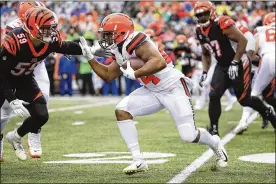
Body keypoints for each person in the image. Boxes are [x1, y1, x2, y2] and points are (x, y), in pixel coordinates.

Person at [79, 13, 228, 175]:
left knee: (188, 135)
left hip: (172, 88)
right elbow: (108, 75)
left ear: (121, 33)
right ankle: (138, 160)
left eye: (108, 34)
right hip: (152, 90)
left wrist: (135, 74)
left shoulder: (137, 40)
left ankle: (214, 142)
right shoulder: (118, 47)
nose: (105, 38)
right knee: (122, 111)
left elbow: (159, 62)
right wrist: (90, 58)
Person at [0, 6, 109, 161]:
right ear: (31, 27)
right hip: (4, 79)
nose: (49, 33)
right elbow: (1, 73)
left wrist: (88, 49)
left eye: (50, 28)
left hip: (24, 79)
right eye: (45, 29)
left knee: (42, 115)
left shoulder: (49, 39)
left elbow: (64, 46)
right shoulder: (15, 40)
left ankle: (16, 136)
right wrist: (11, 99)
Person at [194, 1, 276, 136]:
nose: (202, 17)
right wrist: (204, 71)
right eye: (199, 15)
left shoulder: (222, 23)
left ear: (212, 12)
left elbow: (243, 40)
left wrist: (235, 61)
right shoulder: (199, 31)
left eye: (204, 13)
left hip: (238, 62)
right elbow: (205, 53)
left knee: (244, 100)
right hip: (221, 65)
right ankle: (213, 130)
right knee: (214, 95)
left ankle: (266, 110)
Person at [234, 12, 276, 133]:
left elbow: (252, 54)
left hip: (267, 58)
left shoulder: (260, 30)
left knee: (253, 94)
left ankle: (243, 121)